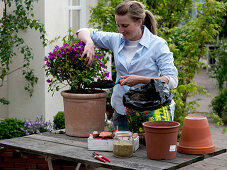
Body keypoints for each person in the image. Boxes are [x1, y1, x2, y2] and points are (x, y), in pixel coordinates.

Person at [76, 0, 178, 131]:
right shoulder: (116, 40)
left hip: (149, 114)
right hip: (121, 111)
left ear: (139, 21)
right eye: (118, 25)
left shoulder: (158, 45)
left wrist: (141, 79)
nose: (120, 30)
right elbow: (82, 31)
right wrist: (89, 42)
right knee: (121, 150)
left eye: (125, 25)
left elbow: (172, 80)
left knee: (147, 151)